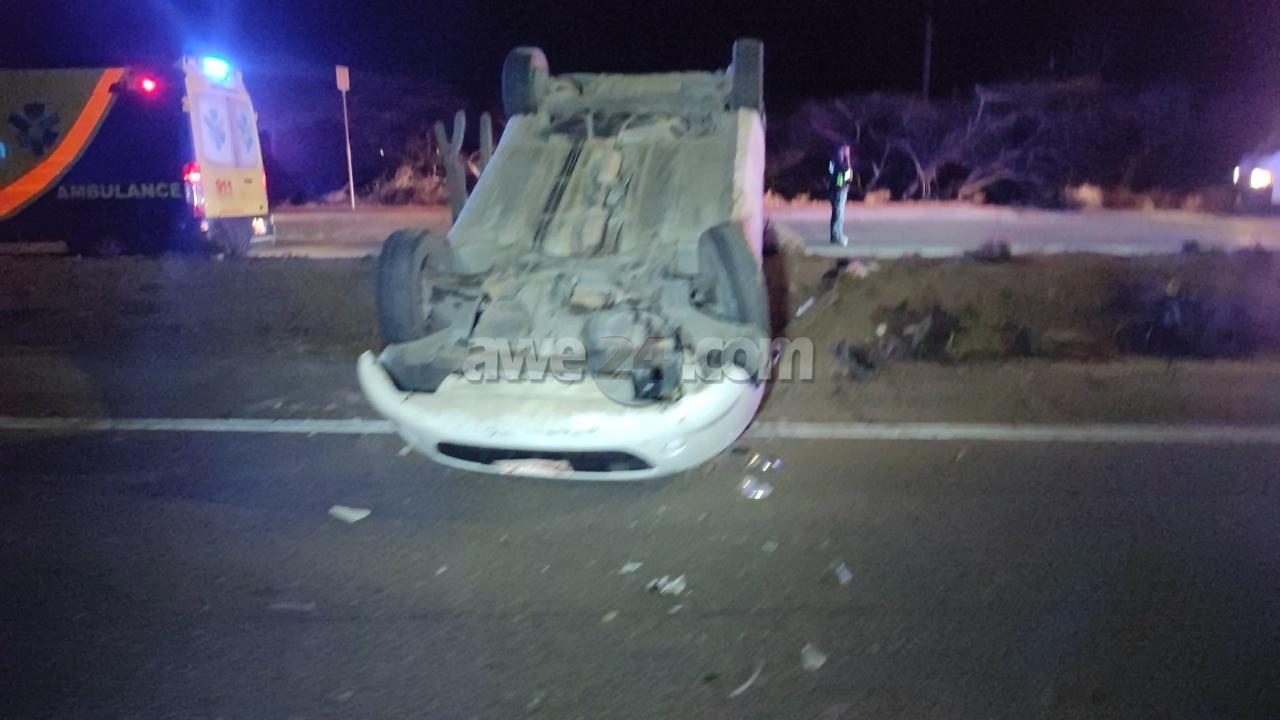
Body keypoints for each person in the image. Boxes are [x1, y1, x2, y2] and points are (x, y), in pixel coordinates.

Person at [828, 144, 853, 246]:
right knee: (839, 214)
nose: (848, 153)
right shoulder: (841, 164)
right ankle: (837, 235)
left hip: (833, 190)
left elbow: (830, 173)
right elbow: (848, 177)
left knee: (836, 213)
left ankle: (834, 235)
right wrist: (841, 186)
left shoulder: (832, 162)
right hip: (839, 191)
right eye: (846, 151)